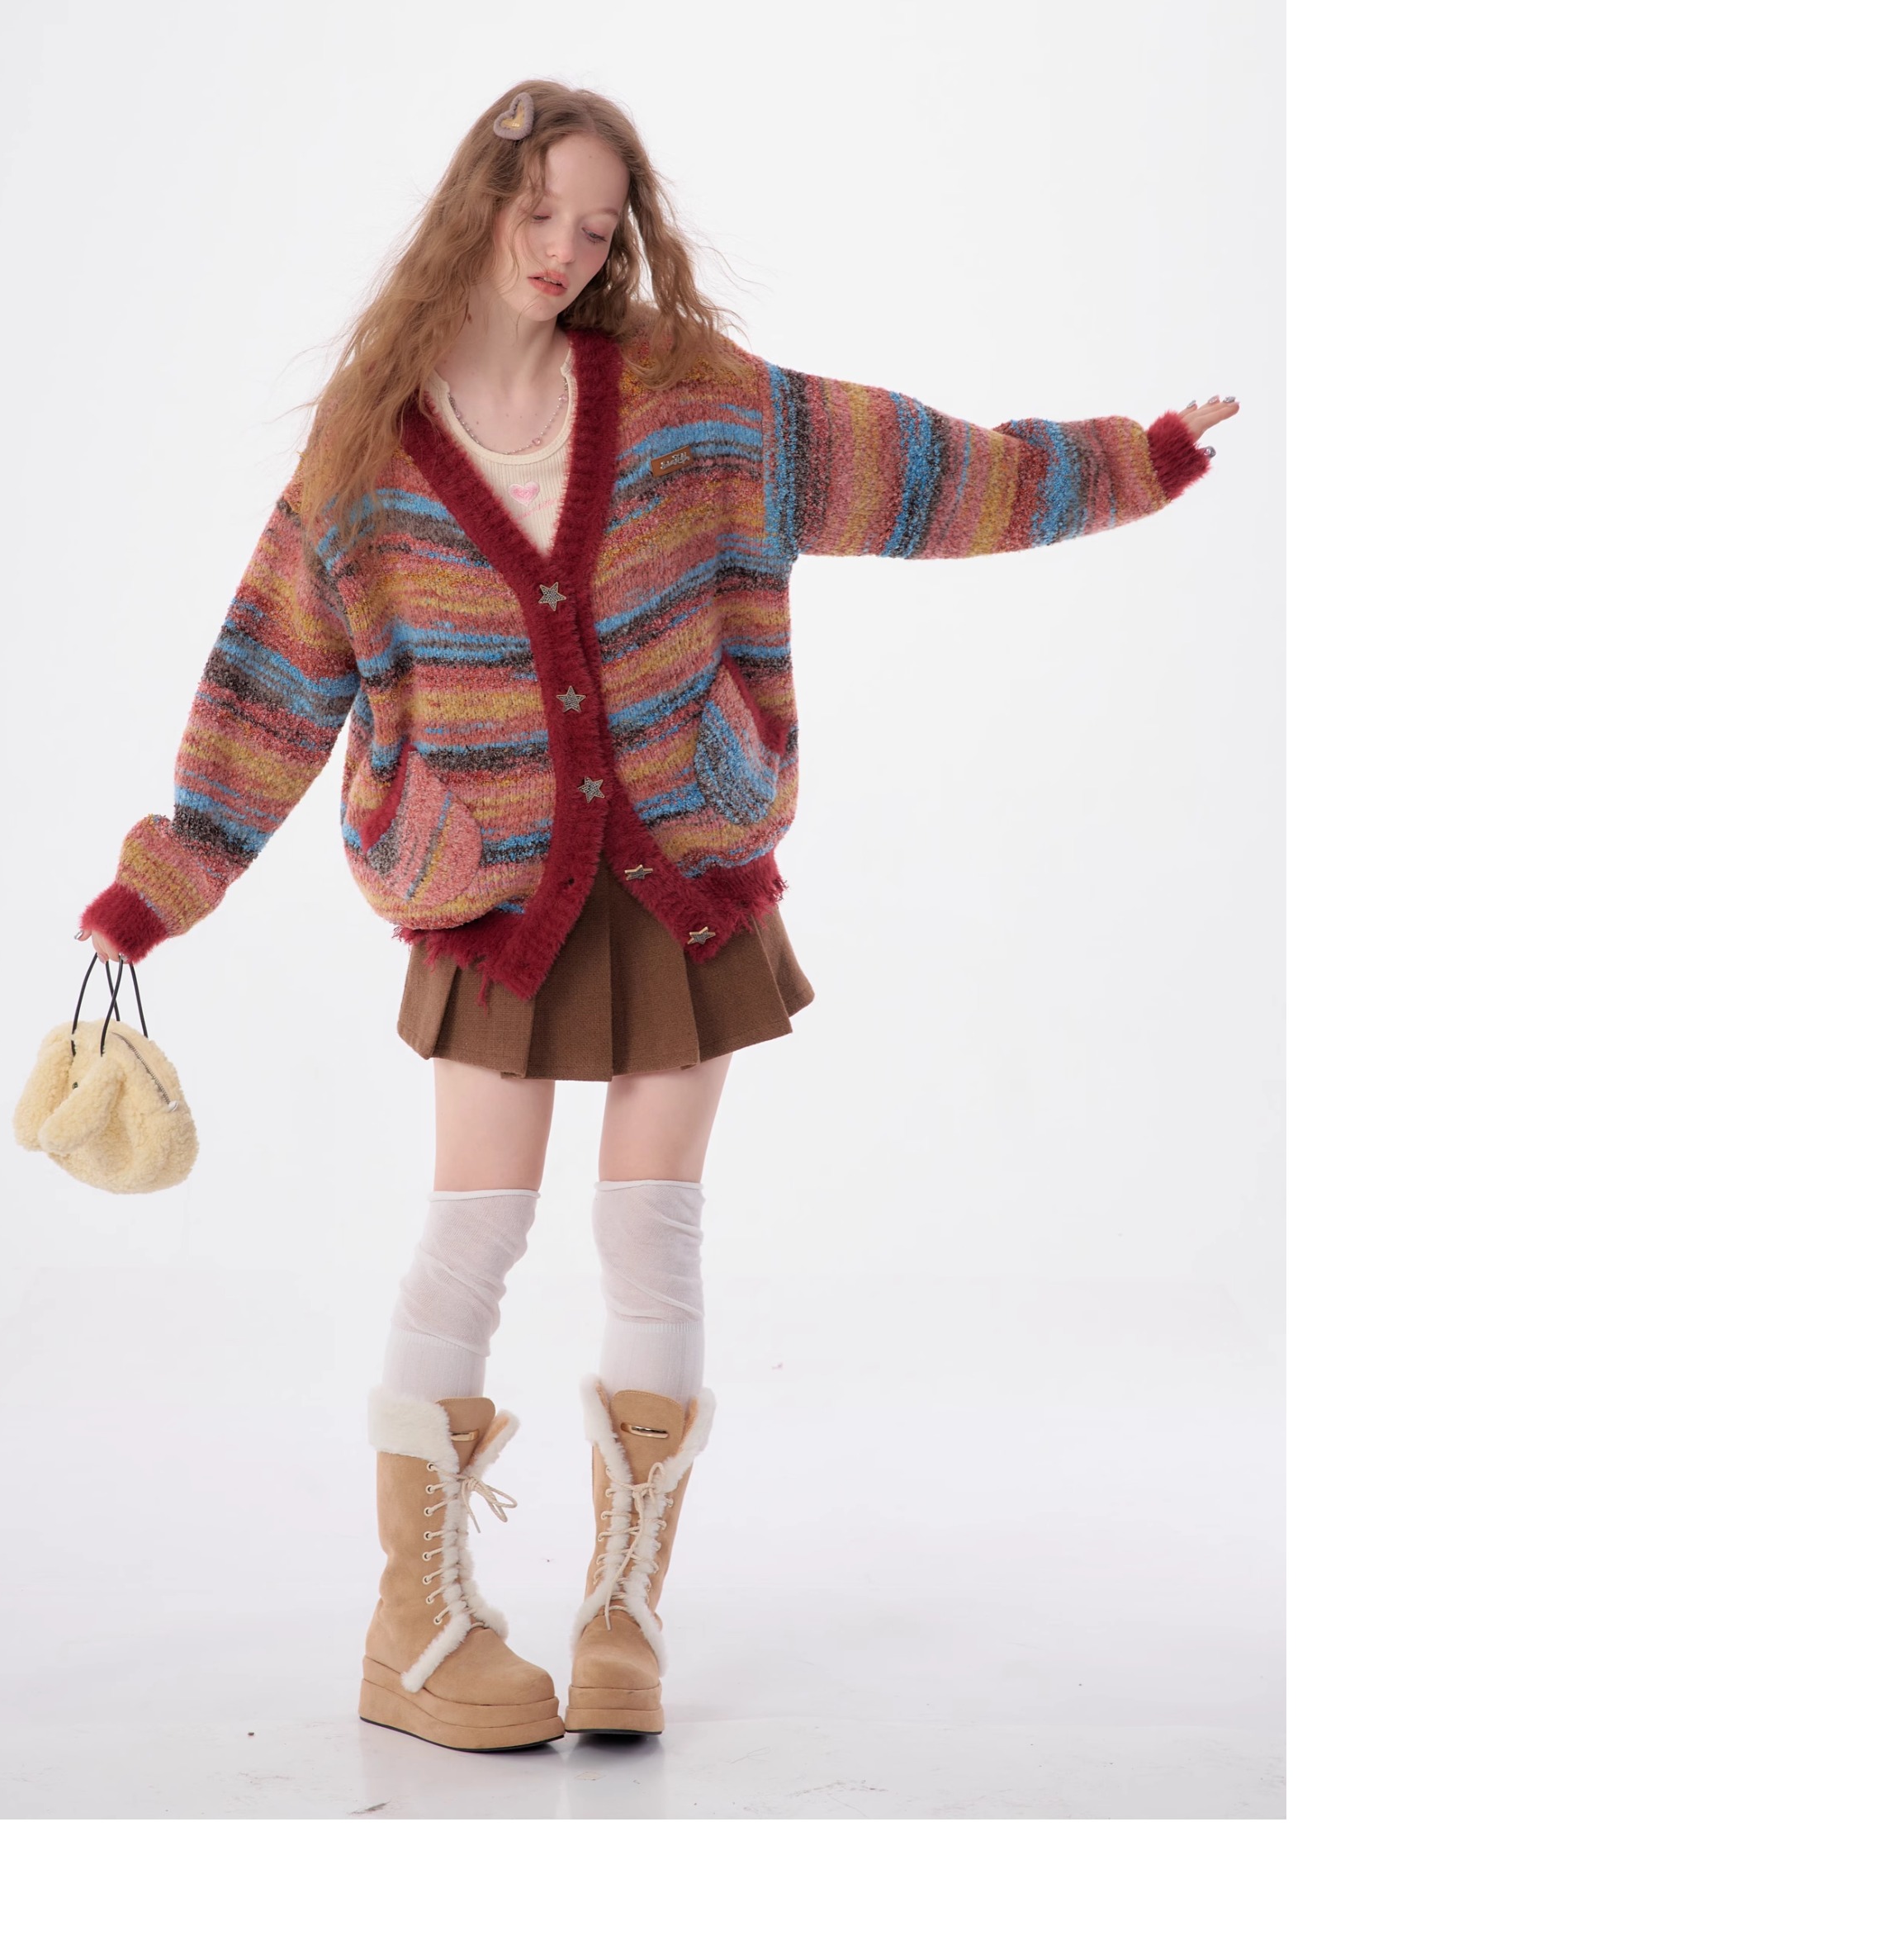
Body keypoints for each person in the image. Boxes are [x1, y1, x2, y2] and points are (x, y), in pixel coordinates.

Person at [76, 78, 1239, 1753]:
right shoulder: (366, 449)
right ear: (475, 207)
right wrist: (165, 880)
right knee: (471, 1234)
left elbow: (927, 472)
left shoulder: (698, 407)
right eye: (537, 210)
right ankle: (413, 1625)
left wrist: (1134, 460)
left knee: (652, 1232)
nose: (564, 248)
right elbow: (274, 678)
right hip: (488, 895)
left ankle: (623, 1612)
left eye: (597, 222)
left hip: (682, 879)